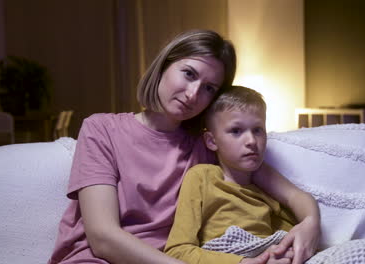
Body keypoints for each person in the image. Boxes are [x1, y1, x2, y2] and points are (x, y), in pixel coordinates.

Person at [48, 29, 320, 264]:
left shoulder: (208, 145)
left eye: (209, 88)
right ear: (164, 65)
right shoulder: (102, 129)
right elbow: (103, 238)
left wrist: (310, 225)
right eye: (188, 74)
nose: (193, 94)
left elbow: (295, 197)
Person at [164, 86, 318, 264]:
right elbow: (177, 251)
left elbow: (296, 199)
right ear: (212, 141)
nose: (251, 141)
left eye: (258, 130)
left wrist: (310, 223)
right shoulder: (202, 177)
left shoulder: (263, 181)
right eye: (236, 131)